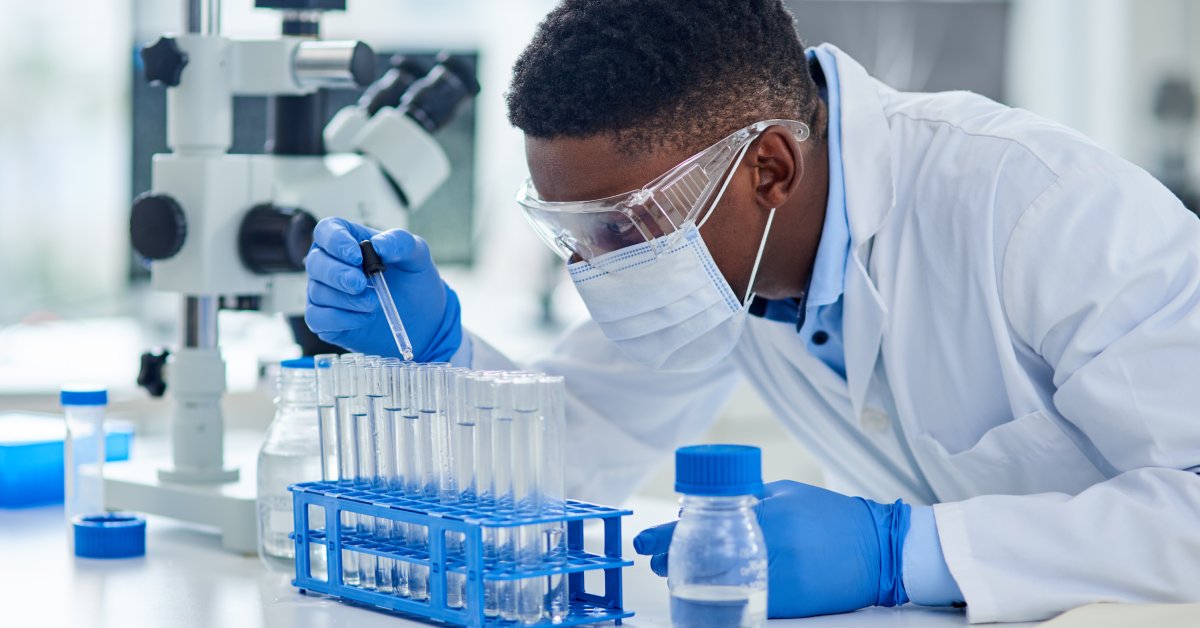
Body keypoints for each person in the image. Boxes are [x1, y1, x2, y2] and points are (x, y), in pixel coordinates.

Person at [303, 0, 1200, 623]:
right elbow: (576, 450)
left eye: (621, 225)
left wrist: (905, 552)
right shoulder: (728, 266)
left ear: (770, 167)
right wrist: (440, 353)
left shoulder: (1041, 206)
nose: (596, 267)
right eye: (571, 234)